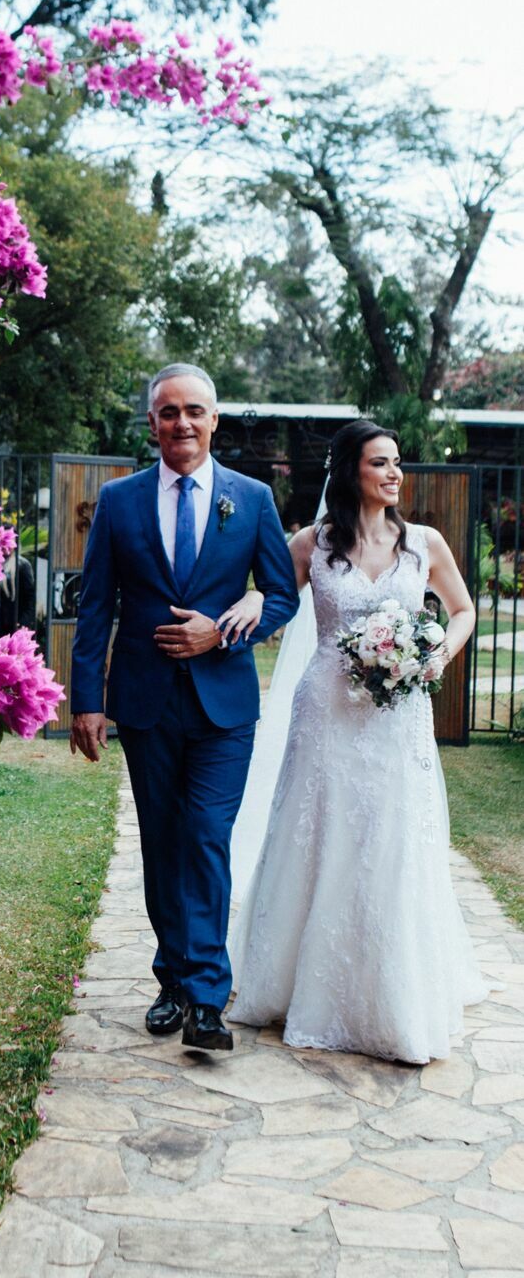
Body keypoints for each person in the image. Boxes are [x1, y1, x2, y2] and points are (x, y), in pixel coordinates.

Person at [229, 419, 488, 1064]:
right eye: (380, 463)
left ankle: (392, 995)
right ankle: (297, 983)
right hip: (326, 712)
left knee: (391, 839)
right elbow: (277, 603)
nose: (395, 474)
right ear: (351, 473)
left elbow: (462, 610)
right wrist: (246, 608)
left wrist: (434, 657)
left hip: (397, 717)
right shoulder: (311, 543)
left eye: (398, 462)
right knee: (320, 833)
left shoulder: (423, 543)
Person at [69, 365, 300, 1051]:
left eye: (194, 410)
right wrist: (88, 700)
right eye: (168, 412)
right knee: (164, 843)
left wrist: (232, 623)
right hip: (144, 702)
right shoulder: (119, 503)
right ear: (152, 424)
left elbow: (280, 593)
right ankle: (170, 978)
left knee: (204, 834)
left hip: (224, 704)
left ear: (214, 420)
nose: (182, 423)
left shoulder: (251, 499)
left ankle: (205, 996)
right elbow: (95, 607)